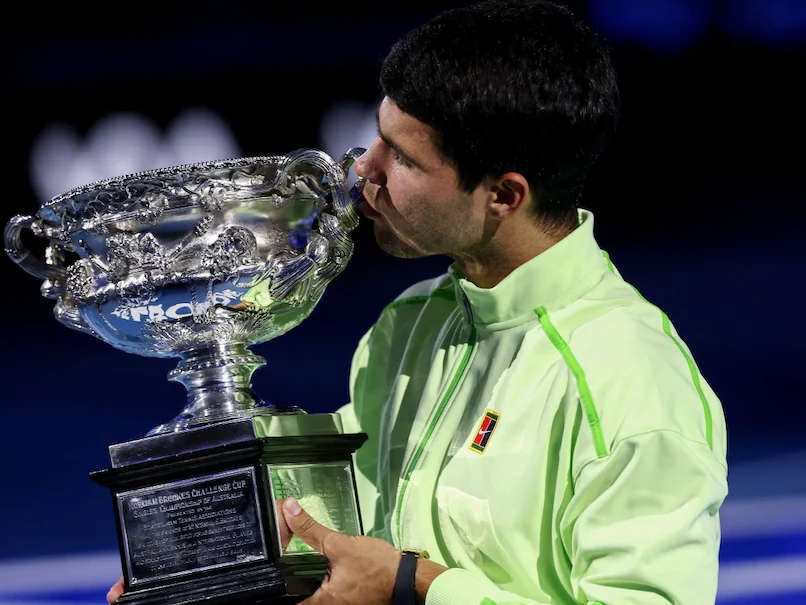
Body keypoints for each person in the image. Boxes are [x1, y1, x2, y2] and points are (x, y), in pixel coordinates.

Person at [108, 1, 728, 604]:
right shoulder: (406, 326)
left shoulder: (631, 384)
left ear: (504, 196)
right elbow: (332, 525)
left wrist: (416, 586)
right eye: (376, 139)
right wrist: (204, 555)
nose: (363, 171)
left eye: (401, 157)